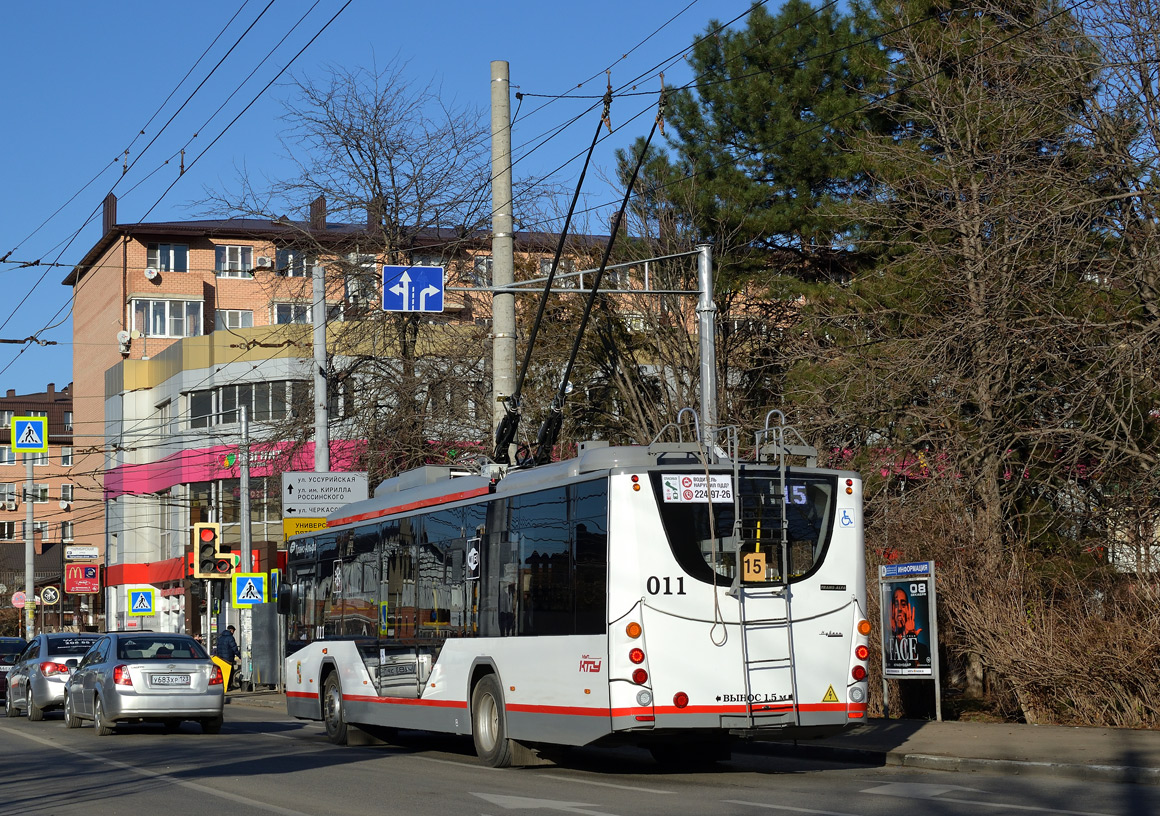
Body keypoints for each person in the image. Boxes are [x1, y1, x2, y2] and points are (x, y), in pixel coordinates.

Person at [215, 624, 242, 689]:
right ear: (231, 630)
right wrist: (240, 656)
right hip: (228, 658)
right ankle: (229, 686)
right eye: (233, 631)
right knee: (230, 672)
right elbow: (234, 648)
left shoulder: (220, 637)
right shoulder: (230, 638)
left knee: (223, 673)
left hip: (221, 658)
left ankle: (223, 685)